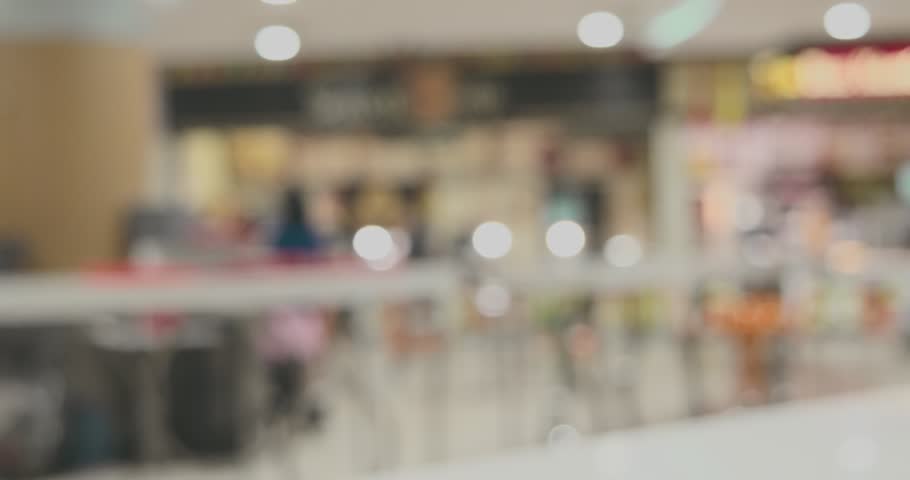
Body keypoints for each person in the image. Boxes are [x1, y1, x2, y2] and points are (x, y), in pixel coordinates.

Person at [262, 187, 327, 428]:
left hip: (286, 307)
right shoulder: (310, 235)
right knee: (306, 361)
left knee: (281, 358)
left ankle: (283, 403)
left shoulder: (279, 235)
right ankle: (302, 404)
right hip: (303, 308)